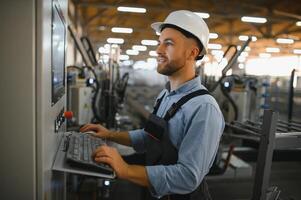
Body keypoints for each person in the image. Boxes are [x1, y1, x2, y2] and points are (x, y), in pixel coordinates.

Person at [80, 10, 225, 200]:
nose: (158, 50)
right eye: (160, 43)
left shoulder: (204, 108)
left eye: (169, 43)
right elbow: (149, 137)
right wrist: (110, 135)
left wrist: (126, 169)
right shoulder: (165, 95)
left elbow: (188, 177)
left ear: (192, 52)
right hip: (155, 193)